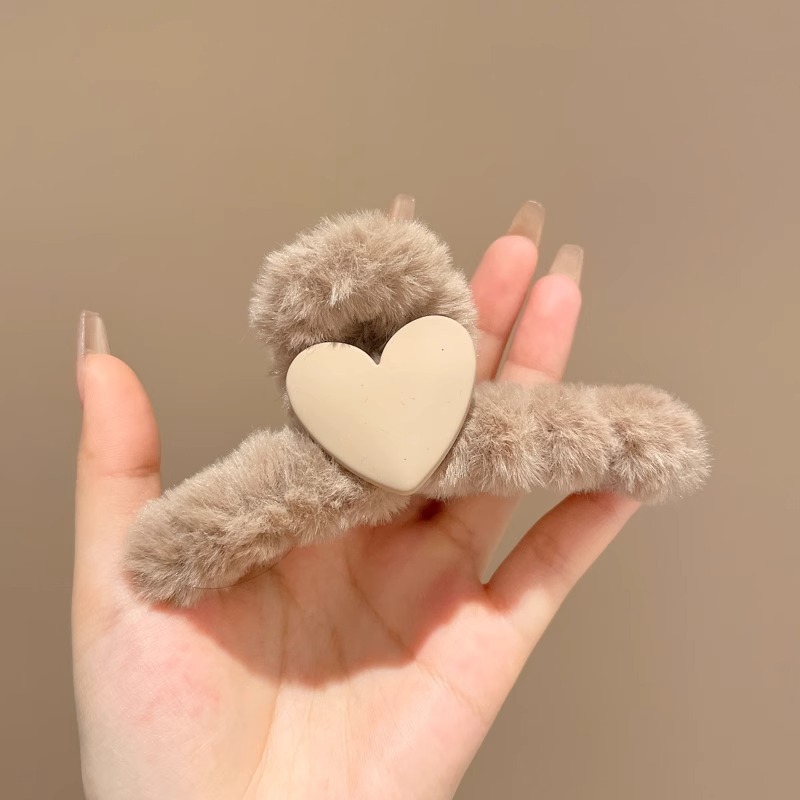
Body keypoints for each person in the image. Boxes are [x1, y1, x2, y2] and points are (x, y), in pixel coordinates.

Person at [73, 202, 639, 799]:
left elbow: (561, 432)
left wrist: (637, 440)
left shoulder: (467, 420)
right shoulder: (302, 469)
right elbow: (199, 533)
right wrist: (169, 557)